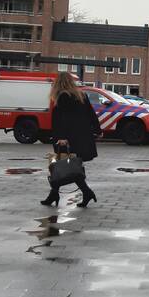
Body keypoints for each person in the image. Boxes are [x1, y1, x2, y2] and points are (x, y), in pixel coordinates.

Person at [42, 73, 100, 207]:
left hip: (69, 138)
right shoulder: (81, 95)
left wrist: (62, 137)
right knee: (71, 167)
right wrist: (97, 130)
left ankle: (82, 192)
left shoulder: (63, 96)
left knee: (62, 167)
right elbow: (91, 114)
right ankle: (58, 194)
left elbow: (63, 119)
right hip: (82, 137)